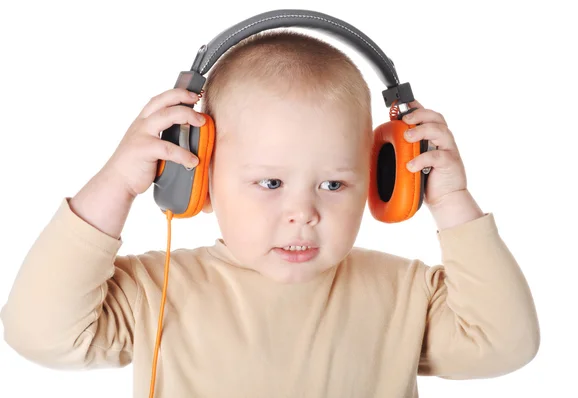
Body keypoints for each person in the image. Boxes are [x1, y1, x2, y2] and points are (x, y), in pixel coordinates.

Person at [0, 30, 540, 397]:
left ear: (385, 180)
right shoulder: (157, 288)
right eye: (270, 182)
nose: (302, 212)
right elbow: (40, 333)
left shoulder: (405, 293)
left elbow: (504, 344)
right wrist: (116, 184)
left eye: (333, 183)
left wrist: (450, 201)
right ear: (198, 176)